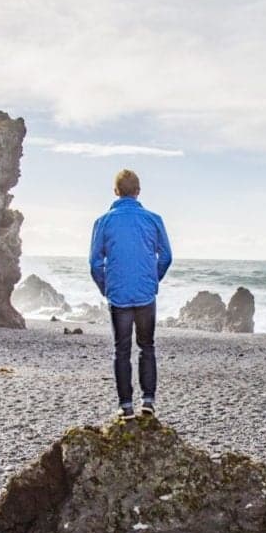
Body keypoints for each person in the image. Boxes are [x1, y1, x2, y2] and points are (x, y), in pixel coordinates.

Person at [89, 169, 173, 420]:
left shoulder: (103, 221)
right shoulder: (153, 219)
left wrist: (107, 287)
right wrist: (152, 280)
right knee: (147, 346)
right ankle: (148, 401)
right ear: (138, 191)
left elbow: (95, 263)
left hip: (118, 294)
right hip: (145, 293)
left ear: (116, 191)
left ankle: (125, 406)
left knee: (121, 350)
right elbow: (166, 257)